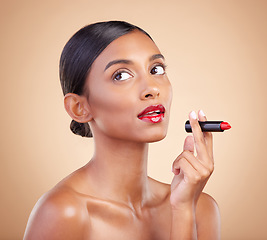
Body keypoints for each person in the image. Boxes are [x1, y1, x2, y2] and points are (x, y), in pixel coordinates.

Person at [23, 21, 220, 240]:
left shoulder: (200, 208)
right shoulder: (64, 212)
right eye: (121, 75)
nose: (152, 89)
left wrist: (183, 210)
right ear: (79, 108)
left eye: (156, 69)